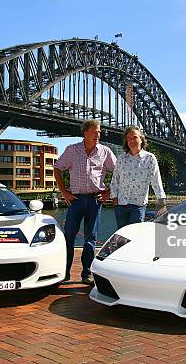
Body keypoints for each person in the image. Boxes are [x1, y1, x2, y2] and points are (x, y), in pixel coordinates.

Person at [54, 119, 116, 285]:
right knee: (69, 235)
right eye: (95, 131)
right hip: (76, 199)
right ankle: (65, 271)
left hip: (96, 199)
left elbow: (118, 172)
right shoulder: (72, 150)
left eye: (100, 132)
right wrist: (64, 192)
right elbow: (57, 168)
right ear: (85, 133)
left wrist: (109, 192)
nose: (98, 134)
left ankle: (86, 272)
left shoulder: (105, 151)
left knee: (91, 238)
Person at [111, 126, 167, 229]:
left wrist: (161, 201)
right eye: (129, 139)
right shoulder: (122, 158)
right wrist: (115, 200)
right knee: (121, 236)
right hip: (121, 205)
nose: (132, 141)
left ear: (141, 139)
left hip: (138, 205)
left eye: (135, 137)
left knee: (134, 236)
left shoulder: (149, 158)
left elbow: (156, 181)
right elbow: (115, 181)